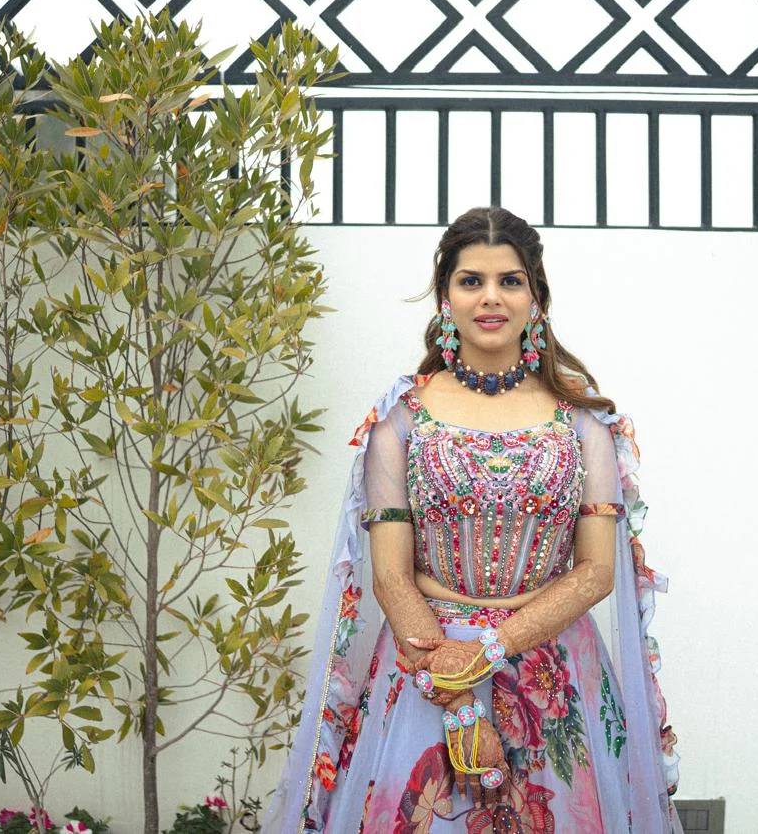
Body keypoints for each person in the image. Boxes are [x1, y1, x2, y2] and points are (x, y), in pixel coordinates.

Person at [263, 206, 682, 833]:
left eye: (510, 281)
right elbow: (391, 579)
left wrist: (490, 648)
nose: (491, 298)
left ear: (536, 296)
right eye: (471, 281)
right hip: (425, 671)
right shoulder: (400, 420)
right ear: (444, 296)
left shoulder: (585, 423)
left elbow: (596, 573)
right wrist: (459, 703)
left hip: (554, 670)